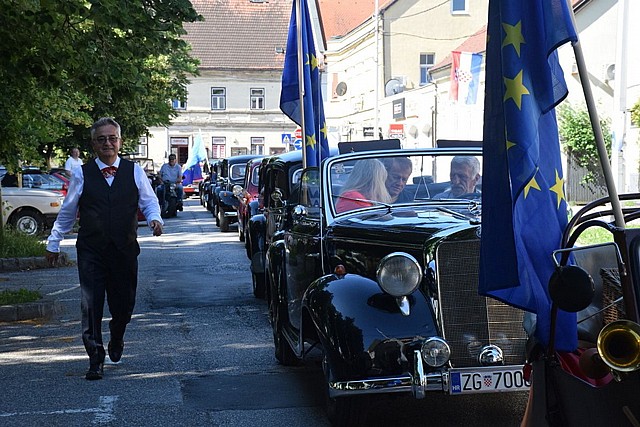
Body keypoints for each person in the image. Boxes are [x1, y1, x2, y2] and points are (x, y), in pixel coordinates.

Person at [45, 117, 164, 381]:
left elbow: (149, 202)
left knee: (124, 305)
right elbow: (68, 212)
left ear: (120, 142)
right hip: (92, 250)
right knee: (91, 304)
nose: (107, 143)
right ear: (93, 144)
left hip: (124, 249)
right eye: (101, 139)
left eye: (112, 138)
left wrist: (155, 219)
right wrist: (53, 242)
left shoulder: (134, 171)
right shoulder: (81, 173)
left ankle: (117, 335)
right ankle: (95, 358)